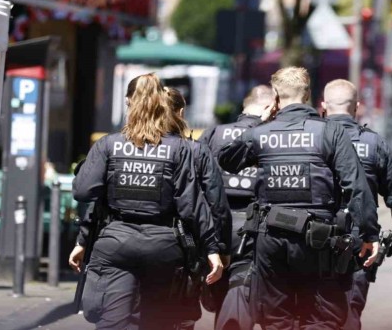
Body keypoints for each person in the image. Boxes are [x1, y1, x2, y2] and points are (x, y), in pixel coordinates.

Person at [218, 67, 381, 330]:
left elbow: (226, 159)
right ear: (307, 95)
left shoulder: (262, 133)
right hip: (318, 239)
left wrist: (260, 122)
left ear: (275, 96)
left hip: (270, 236)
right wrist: (369, 234)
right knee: (324, 317)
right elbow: (356, 186)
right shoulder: (330, 132)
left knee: (275, 317)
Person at [72, 74, 226, 330]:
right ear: (161, 104)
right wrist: (212, 248)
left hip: (115, 243)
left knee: (112, 322)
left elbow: (84, 192)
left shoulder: (108, 145)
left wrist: (82, 241)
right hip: (164, 246)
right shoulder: (179, 148)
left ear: (127, 102)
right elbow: (191, 204)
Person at [321, 79, 392, 330]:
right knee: (349, 313)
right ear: (357, 107)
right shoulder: (375, 144)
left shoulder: (309, 138)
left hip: (309, 240)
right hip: (359, 241)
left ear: (324, 106)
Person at [198, 85, 274, 330]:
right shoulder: (272, 135)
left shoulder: (213, 133)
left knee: (223, 295)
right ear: (269, 107)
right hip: (254, 231)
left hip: (213, 229)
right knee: (241, 293)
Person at [165, 86, 233, 329]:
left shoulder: (128, 146)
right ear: (181, 112)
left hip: (129, 241)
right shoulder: (196, 150)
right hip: (184, 245)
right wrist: (221, 248)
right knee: (181, 316)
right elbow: (217, 205)